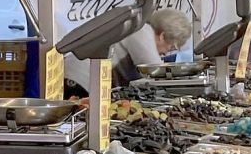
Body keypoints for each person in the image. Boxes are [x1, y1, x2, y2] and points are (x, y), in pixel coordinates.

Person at [64, 8, 192, 92]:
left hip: (86, 81)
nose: (166, 53)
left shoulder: (141, 28)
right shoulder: (142, 32)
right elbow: (156, 73)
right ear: (162, 36)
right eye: (171, 47)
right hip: (79, 82)